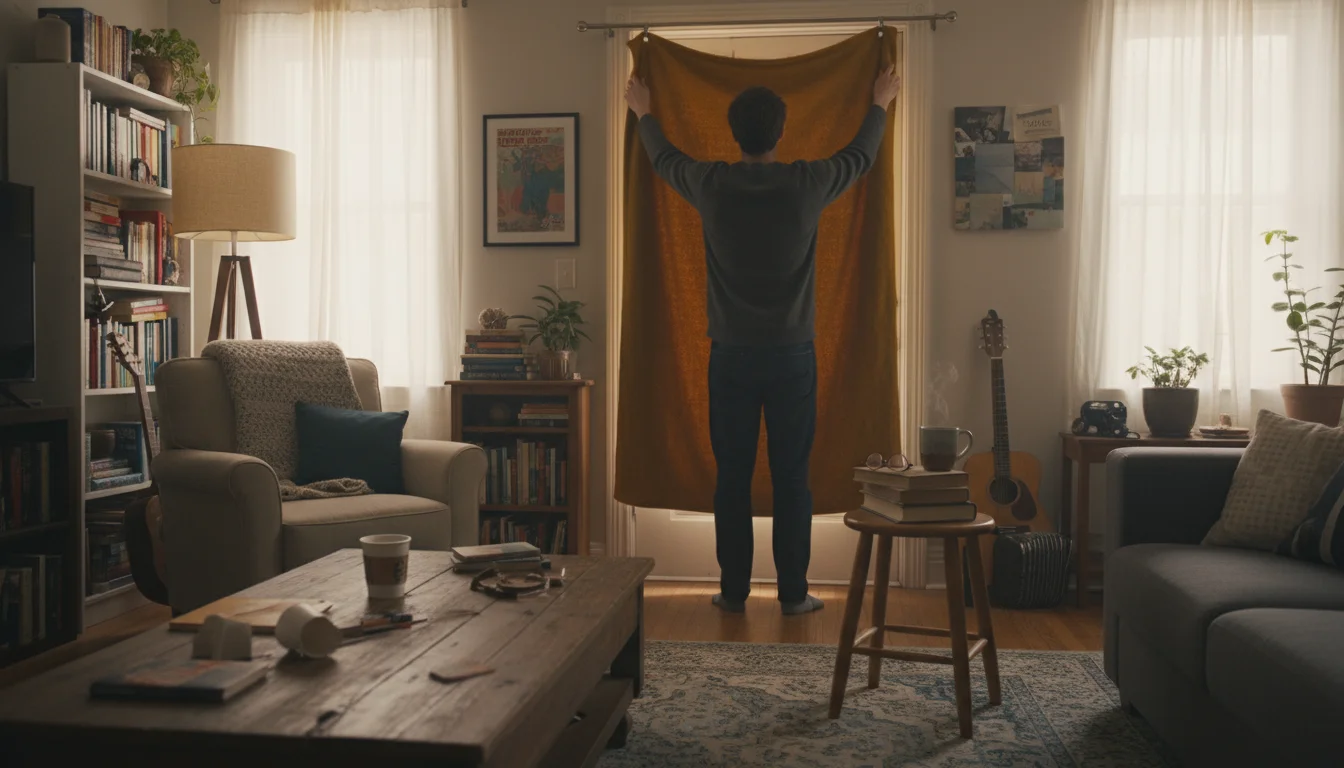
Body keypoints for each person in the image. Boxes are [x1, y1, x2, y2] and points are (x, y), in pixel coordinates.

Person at [624, 66, 902, 615]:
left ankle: (732, 593)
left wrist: (644, 114)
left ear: (735, 134)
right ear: (780, 133)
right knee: (792, 477)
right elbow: (860, 156)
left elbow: (664, 160)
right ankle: (794, 597)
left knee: (731, 477)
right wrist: (880, 103)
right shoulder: (806, 182)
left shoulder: (712, 183)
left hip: (729, 357)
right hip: (792, 357)